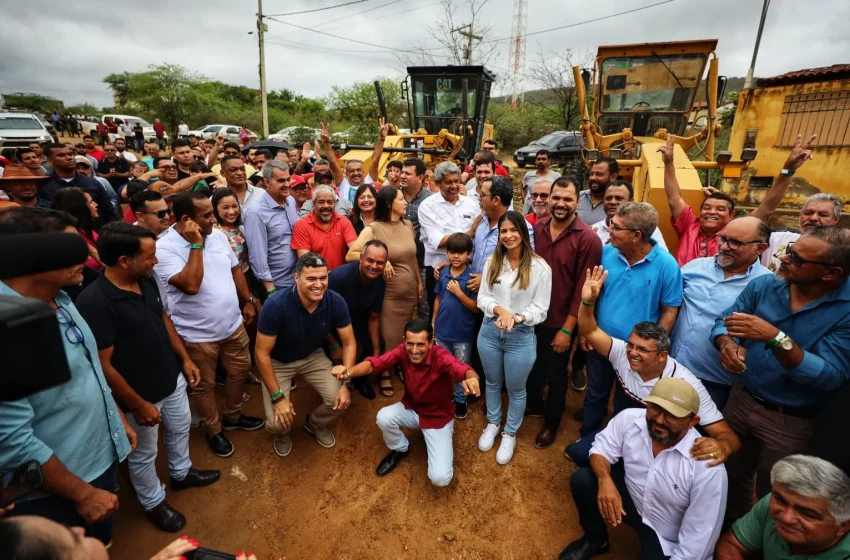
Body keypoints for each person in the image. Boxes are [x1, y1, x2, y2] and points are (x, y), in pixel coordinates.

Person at [76, 223, 220, 532]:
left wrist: (183, 358)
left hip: (171, 377)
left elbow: (163, 319)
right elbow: (102, 364)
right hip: (139, 394)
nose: (155, 262)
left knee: (181, 428)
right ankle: (154, 501)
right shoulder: (95, 303)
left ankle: (181, 473)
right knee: (144, 454)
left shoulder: (145, 280)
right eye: (149, 256)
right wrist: (137, 404)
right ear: (124, 261)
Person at [0, 207, 132, 544]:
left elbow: (89, 371)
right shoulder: (7, 328)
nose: (85, 257)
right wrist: (83, 494)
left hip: (97, 460)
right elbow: (12, 441)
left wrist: (115, 419)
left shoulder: (60, 296)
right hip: (52, 492)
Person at [711, 226, 850, 522]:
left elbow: (830, 376)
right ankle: (730, 534)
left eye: (797, 259)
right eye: (789, 250)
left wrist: (777, 338)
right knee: (729, 475)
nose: (784, 259)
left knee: (779, 495)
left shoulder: (846, 312)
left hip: (789, 423)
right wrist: (726, 343)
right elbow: (725, 322)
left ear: (831, 273)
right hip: (740, 401)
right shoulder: (764, 286)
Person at [573, 265, 741, 464]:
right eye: (632, 345)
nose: (633, 353)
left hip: (661, 448)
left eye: (643, 350)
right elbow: (590, 330)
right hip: (627, 434)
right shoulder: (622, 352)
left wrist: (723, 447)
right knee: (577, 453)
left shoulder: (686, 385)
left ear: (662, 355)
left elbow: (727, 435)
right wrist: (587, 302)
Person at [559, 379, 728, 560]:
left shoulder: (708, 469)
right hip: (632, 501)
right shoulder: (630, 419)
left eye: (672, 415)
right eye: (655, 408)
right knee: (583, 480)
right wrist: (604, 480)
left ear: (692, 421)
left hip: (666, 538)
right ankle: (596, 539)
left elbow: (698, 540)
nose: (660, 420)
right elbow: (601, 448)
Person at [154, 191, 264, 458]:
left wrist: (247, 300)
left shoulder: (217, 235)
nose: (213, 220)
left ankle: (233, 417)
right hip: (197, 336)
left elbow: (234, 268)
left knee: (239, 372)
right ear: (186, 219)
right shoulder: (164, 248)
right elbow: (190, 285)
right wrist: (195, 244)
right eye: (207, 215)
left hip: (233, 326)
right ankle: (214, 430)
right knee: (204, 386)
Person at [571, 202, 682, 462]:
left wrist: (651, 350)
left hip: (637, 353)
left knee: (628, 401)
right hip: (602, 343)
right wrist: (587, 331)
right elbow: (594, 296)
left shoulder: (667, 266)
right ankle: (588, 438)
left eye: (616, 227)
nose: (609, 230)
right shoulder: (607, 254)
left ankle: (621, 449)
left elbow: (669, 310)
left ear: (637, 235)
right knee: (596, 392)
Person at [334, 319, 480, 486]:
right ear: (404, 341)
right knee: (384, 417)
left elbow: (463, 369)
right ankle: (400, 448)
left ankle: (438, 440)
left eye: (420, 344)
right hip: (413, 409)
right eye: (410, 344)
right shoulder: (402, 351)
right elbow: (375, 364)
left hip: (437, 418)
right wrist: (348, 373)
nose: (415, 350)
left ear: (431, 343)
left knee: (440, 478)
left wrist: (472, 379)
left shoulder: (441, 356)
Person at [254, 253, 356, 457]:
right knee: (276, 423)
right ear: (297, 278)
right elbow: (261, 353)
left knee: (339, 401)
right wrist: (277, 398)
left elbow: (349, 342)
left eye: (323, 278)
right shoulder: (275, 305)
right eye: (311, 279)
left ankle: (314, 423)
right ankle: (282, 434)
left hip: (312, 356)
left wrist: (346, 382)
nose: (318, 284)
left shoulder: (335, 301)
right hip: (278, 361)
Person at [527, 177, 602, 448]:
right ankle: (534, 405)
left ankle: (552, 422)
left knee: (557, 374)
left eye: (567, 199)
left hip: (559, 321)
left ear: (577, 202)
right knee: (533, 366)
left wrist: (568, 329)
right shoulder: (538, 228)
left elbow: (583, 289)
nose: (560, 204)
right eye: (555, 197)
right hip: (532, 316)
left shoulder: (588, 240)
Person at [670, 217, 772, 410]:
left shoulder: (767, 284)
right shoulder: (695, 267)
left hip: (716, 380)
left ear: (760, 248)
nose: (724, 247)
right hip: (673, 367)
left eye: (735, 242)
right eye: (722, 239)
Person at [477, 211, 552, 465]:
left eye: (513, 230)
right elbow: (483, 298)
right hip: (489, 331)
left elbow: (540, 309)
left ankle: (509, 432)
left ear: (523, 233)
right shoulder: (492, 262)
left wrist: (516, 318)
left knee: (516, 389)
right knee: (492, 382)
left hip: (521, 336)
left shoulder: (540, 268)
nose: (508, 236)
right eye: (503, 231)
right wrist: (500, 311)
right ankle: (493, 422)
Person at [346, 186, 423, 395]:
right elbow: (352, 254)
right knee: (388, 335)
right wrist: (383, 259)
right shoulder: (374, 228)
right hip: (388, 294)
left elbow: (412, 257)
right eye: (401, 199)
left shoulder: (408, 224)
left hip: (409, 293)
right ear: (390, 204)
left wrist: (418, 282)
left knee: (402, 335)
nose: (406, 202)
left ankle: (398, 365)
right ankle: (384, 372)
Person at [715, 454, 850, 559]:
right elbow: (731, 544)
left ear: (843, 525)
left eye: (807, 514)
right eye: (780, 500)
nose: (786, 517)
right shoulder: (773, 502)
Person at [658, 135, 737, 265]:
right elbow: (674, 198)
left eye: (720, 209)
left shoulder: (733, 237)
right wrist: (668, 163)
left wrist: (724, 198)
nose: (712, 212)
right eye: (706, 207)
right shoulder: (689, 225)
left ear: (731, 215)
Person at [328, 240, 388, 400]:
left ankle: (360, 381)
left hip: (358, 322)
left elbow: (374, 318)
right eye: (370, 260)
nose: (374, 266)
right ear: (361, 258)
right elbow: (321, 316)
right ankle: (338, 384)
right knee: (335, 355)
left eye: (380, 263)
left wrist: (376, 351)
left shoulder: (380, 283)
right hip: (332, 327)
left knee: (376, 344)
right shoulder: (338, 278)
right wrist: (333, 345)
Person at [418, 161, 479, 315]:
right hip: (438, 270)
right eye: (448, 182)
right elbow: (437, 241)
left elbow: (478, 236)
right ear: (437, 183)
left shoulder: (470, 204)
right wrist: (469, 234)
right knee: (439, 312)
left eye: (456, 181)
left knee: (466, 313)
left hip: (467, 269)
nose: (454, 186)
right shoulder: (428, 206)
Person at [431, 233, 479, 419]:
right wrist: (433, 321)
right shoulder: (443, 273)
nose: (455, 256)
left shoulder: (472, 277)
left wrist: (459, 292)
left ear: (469, 254)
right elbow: (437, 298)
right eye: (451, 252)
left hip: (462, 334)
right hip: (442, 331)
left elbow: (475, 308)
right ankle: (446, 396)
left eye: (460, 253)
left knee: (461, 368)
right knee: (443, 367)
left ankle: (460, 400)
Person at [243, 161, 300, 296]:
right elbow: (257, 256)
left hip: (297, 279)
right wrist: (270, 289)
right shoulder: (256, 213)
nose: (287, 184)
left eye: (288, 179)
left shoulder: (290, 201)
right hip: (277, 284)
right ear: (266, 182)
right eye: (281, 180)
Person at [41, 144, 117, 225]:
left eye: (70, 154)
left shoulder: (91, 183)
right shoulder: (45, 184)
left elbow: (108, 211)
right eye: (61, 155)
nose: (69, 158)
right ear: (50, 160)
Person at [292, 185, 357, 270]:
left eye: (330, 202)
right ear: (313, 204)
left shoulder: (344, 222)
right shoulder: (302, 226)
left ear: (335, 204)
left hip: (341, 278)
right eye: (321, 202)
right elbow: (305, 262)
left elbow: (355, 249)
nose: (326, 206)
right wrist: (325, 276)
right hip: (316, 279)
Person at [320, 120, 385, 204]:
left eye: (358, 170)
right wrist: (326, 142)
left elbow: (375, 160)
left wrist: (382, 139)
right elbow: (333, 164)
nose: (356, 173)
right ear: (346, 174)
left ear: (363, 171)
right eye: (352, 171)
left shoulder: (369, 181)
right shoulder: (343, 185)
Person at [591, 180, 668, 250]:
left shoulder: (645, 227)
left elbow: (661, 256)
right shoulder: (594, 230)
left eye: (618, 198)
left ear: (631, 201)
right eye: (608, 198)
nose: (612, 202)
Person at [577, 157, 617, 225]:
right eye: (591, 174)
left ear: (613, 177)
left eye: (599, 174)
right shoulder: (577, 197)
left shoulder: (618, 204)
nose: (593, 178)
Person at [521, 149, 561, 213]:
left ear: (549, 161)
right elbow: (523, 188)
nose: (541, 161)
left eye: (544, 159)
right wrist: (525, 202)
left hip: (547, 211)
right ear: (535, 161)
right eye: (538, 159)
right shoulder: (528, 175)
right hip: (529, 211)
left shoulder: (556, 176)